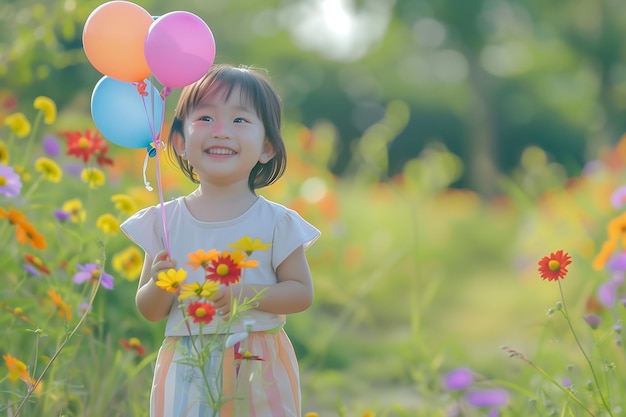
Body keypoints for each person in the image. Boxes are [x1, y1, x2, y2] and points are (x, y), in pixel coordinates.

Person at [120, 64, 320, 417]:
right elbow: (151, 311)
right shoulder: (165, 221)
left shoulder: (276, 222)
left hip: (256, 360)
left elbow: (301, 293)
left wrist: (246, 293)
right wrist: (159, 284)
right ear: (180, 142)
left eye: (240, 121)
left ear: (267, 147)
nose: (222, 132)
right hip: (187, 361)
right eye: (206, 119)